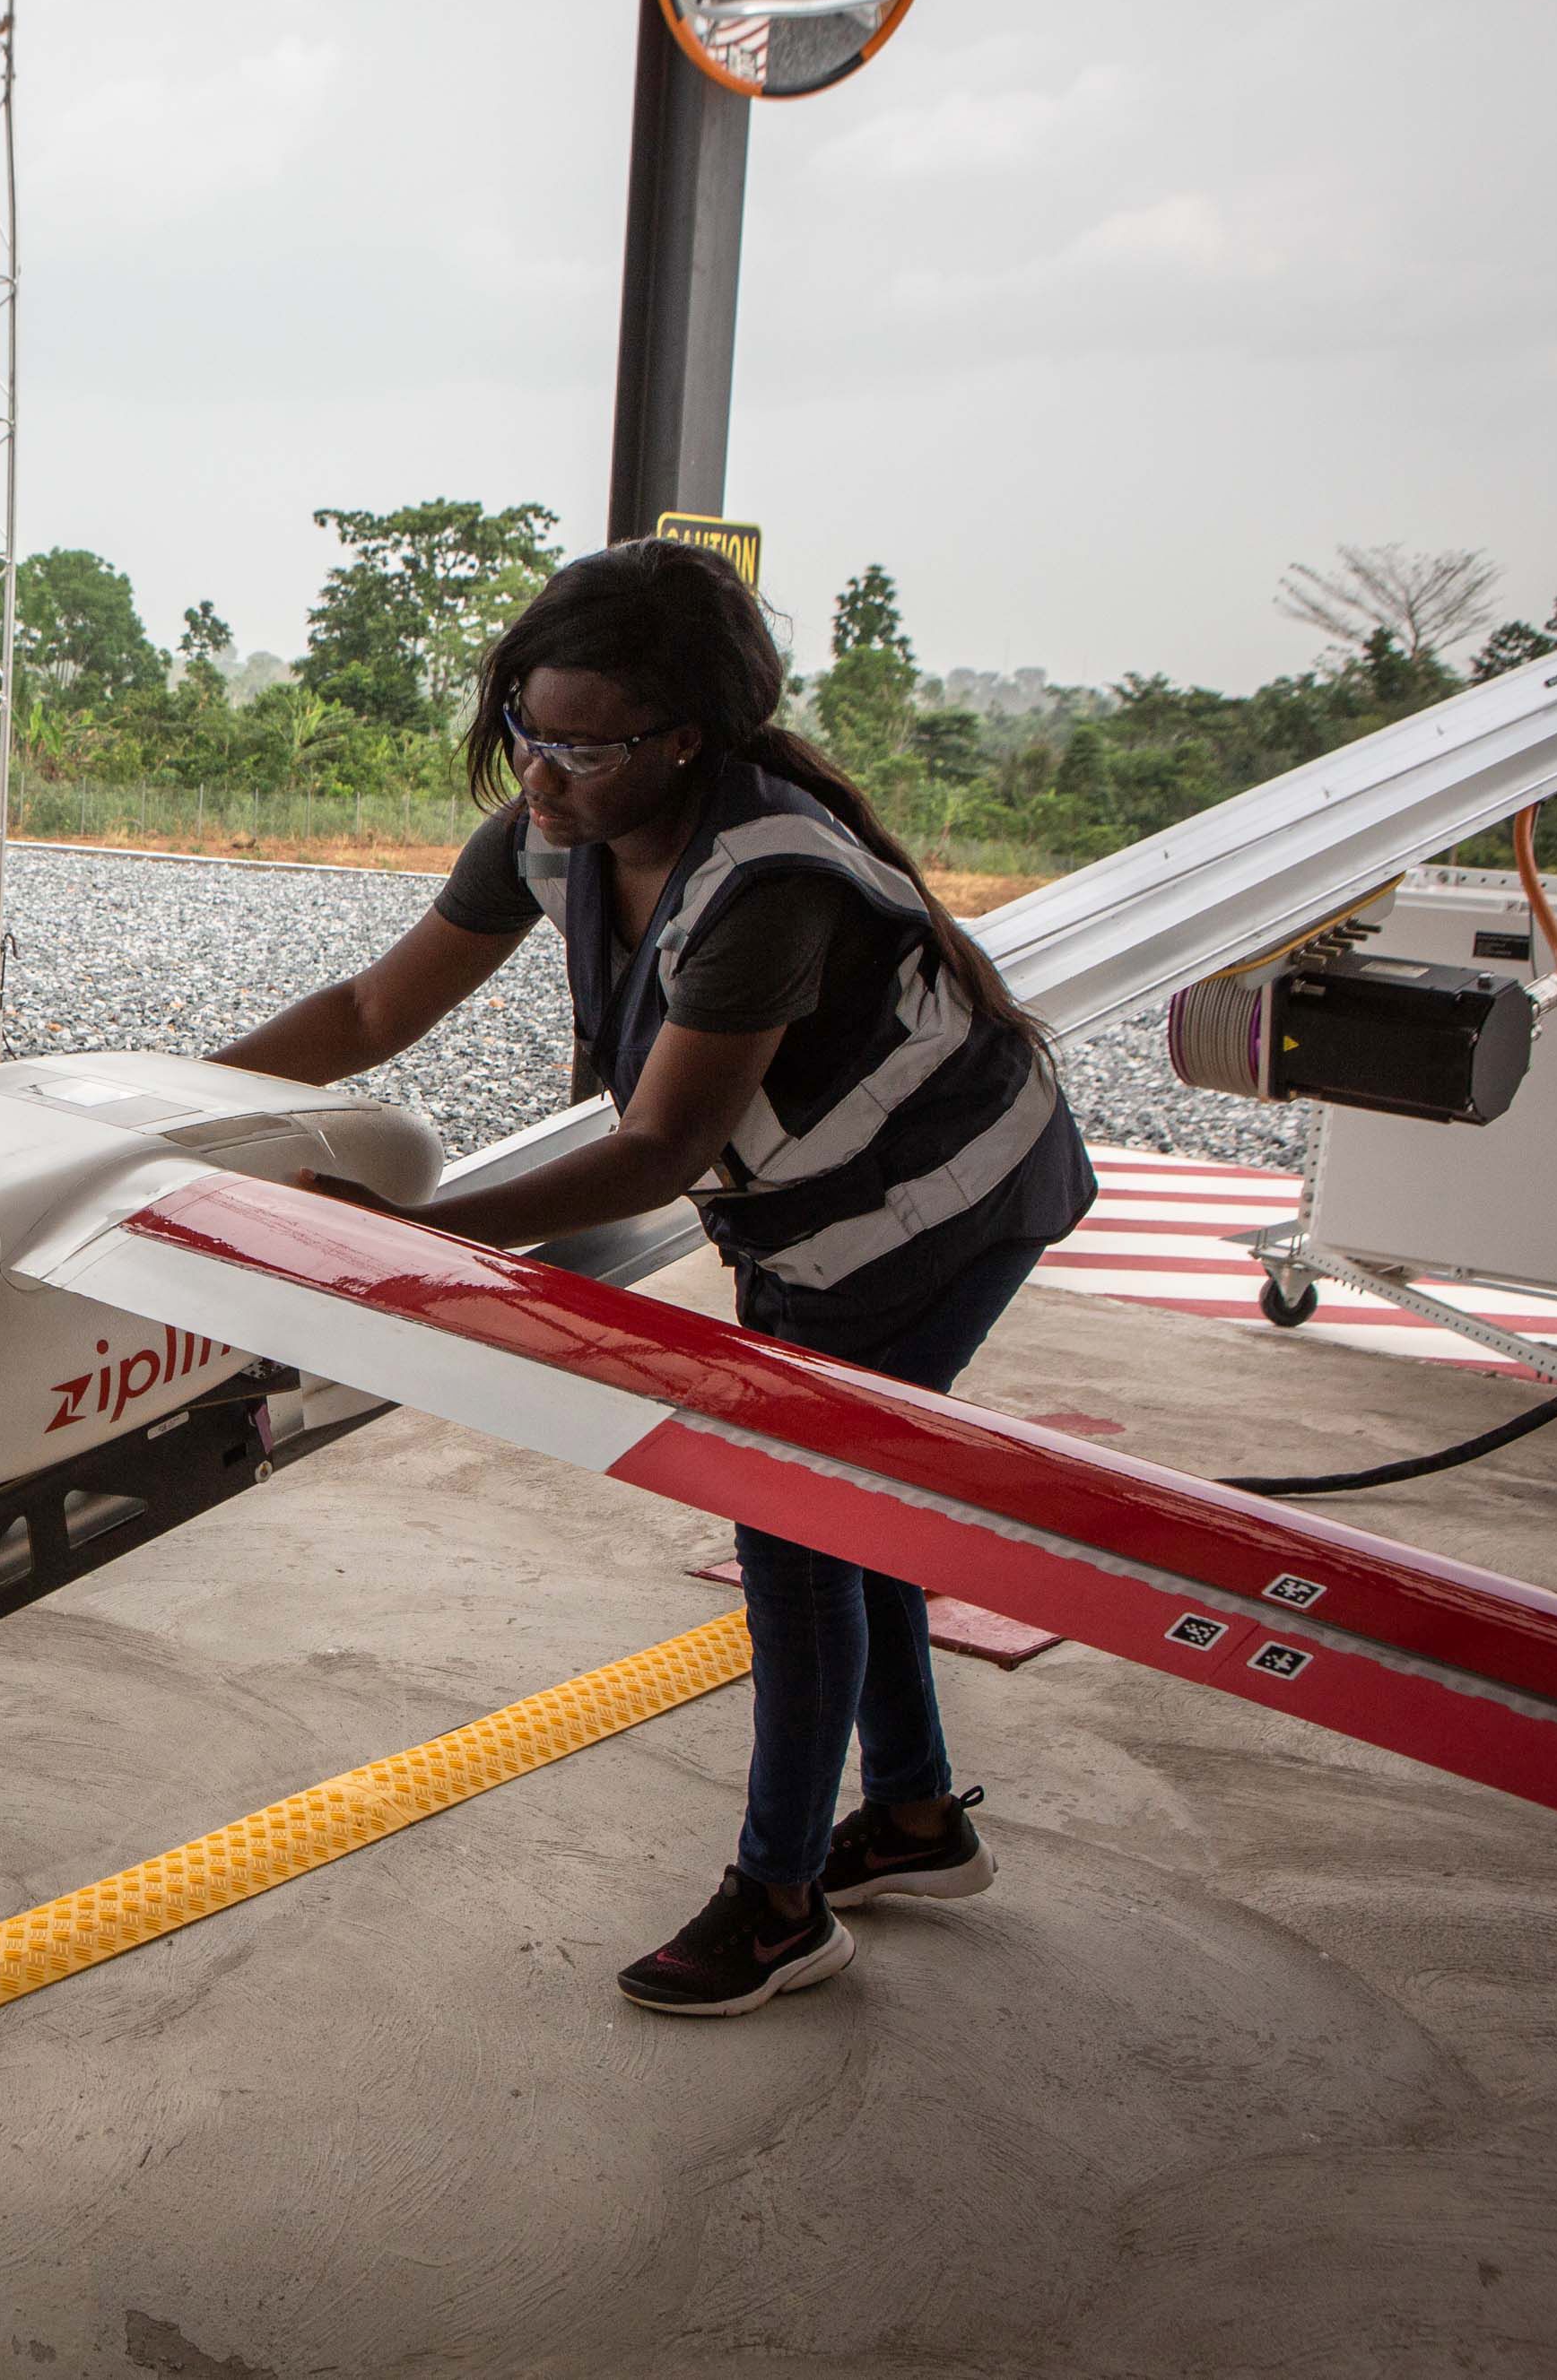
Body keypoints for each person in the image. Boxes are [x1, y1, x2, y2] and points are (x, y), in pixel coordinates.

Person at [216, 539, 1092, 2020]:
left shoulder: (765, 883)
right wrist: (142, 1093)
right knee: (848, 1508)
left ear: (685, 741)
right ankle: (919, 1820)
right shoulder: (550, 832)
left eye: (583, 747)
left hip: (941, 1211)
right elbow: (372, 1006)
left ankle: (779, 1903)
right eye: (525, 733)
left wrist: (422, 1237)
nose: (542, 778)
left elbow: (655, 1150)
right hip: (814, 1218)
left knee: (798, 1530)